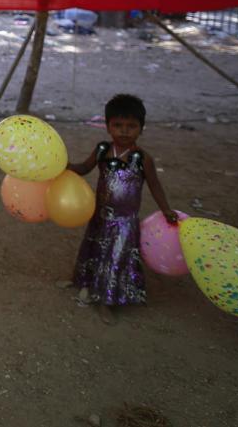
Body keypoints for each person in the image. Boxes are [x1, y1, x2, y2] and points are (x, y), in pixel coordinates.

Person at [66, 93, 178, 325]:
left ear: (141, 128)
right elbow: (84, 168)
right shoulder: (102, 150)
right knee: (93, 251)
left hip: (124, 222)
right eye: (118, 125)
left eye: (131, 126)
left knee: (116, 260)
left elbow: (155, 185)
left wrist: (166, 209)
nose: (124, 131)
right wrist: (65, 167)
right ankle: (83, 282)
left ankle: (107, 302)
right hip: (99, 216)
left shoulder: (142, 158)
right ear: (107, 127)